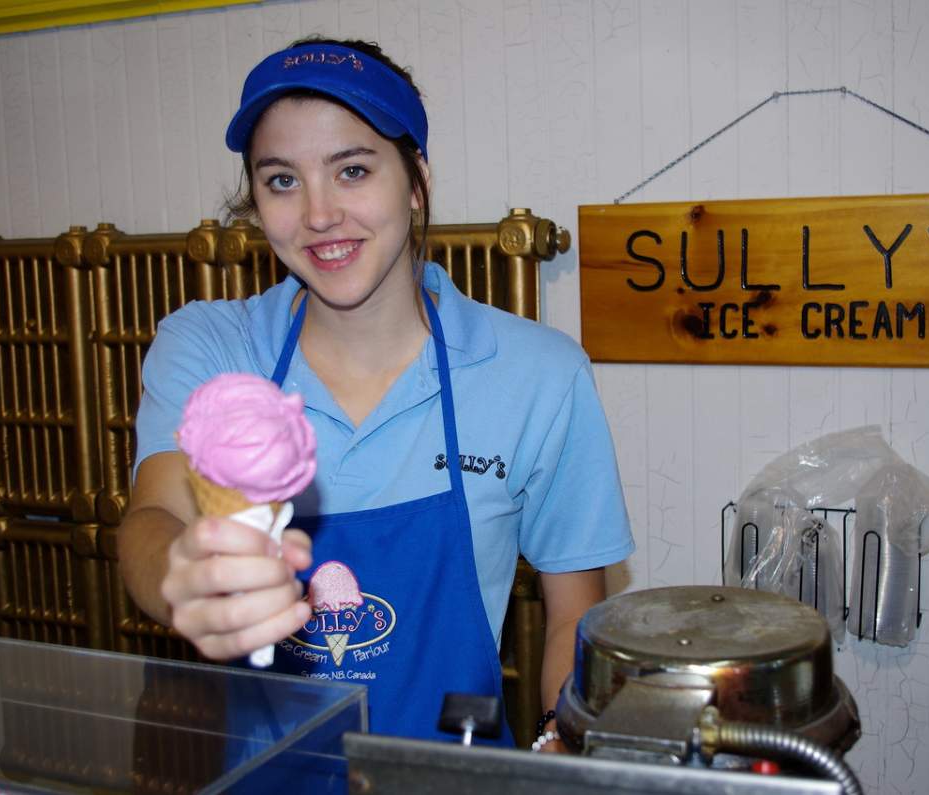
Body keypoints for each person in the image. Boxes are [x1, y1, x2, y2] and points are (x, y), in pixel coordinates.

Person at [117, 36, 633, 747]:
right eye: (282, 180)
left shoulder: (538, 375)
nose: (320, 214)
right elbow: (153, 516)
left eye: (352, 169)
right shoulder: (213, 349)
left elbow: (574, 615)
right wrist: (181, 575)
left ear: (416, 178)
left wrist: (559, 743)